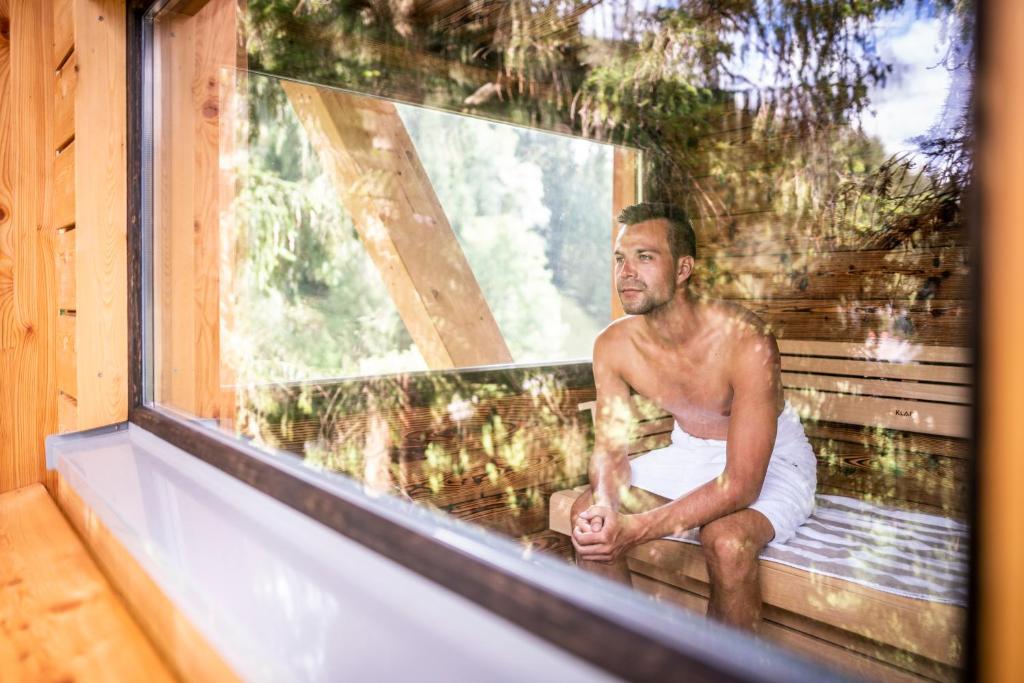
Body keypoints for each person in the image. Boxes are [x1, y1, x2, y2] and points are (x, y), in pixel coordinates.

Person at [571, 202, 816, 631]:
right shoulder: (613, 345)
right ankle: (625, 652)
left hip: (773, 460)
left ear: (683, 269)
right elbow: (610, 451)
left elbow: (741, 484)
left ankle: (720, 663)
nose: (626, 272)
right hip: (688, 451)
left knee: (727, 542)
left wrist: (636, 528)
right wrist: (608, 506)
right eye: (620, 259)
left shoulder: (745, 340)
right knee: (589, 514)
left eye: (645, 257)